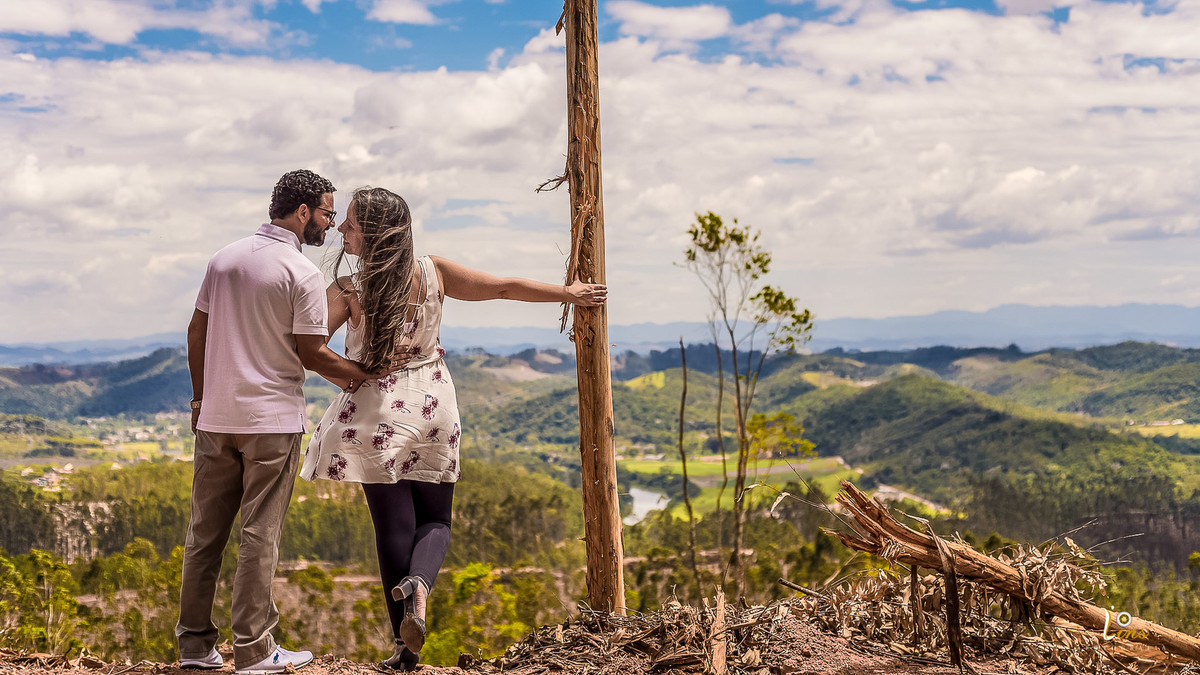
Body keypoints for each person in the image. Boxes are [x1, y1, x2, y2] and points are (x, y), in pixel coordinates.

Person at [299, 186, 606, 670]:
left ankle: (404, 652)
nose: (341, 230)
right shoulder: (433, 271)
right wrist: (568, 294)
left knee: (392, 530)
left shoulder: (350, 289)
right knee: (436, 522)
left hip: (377, 416)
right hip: (433, 408)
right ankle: (420, 584)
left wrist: (355, 375)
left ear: (375, 233)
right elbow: (504, 287)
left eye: (351, 223)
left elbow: (313, 352)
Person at [179, 170, 381, 674]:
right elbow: (312, 353)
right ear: (302, 211)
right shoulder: (301, 273)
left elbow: (196, 330)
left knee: (204, 536)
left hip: (216, 420)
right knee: (258, 536)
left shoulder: (223, 259)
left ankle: (195, 647)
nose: (330, 225)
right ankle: (253, 649)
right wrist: (364, 378)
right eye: (327, 213)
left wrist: (201, 399)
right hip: (270, 423)